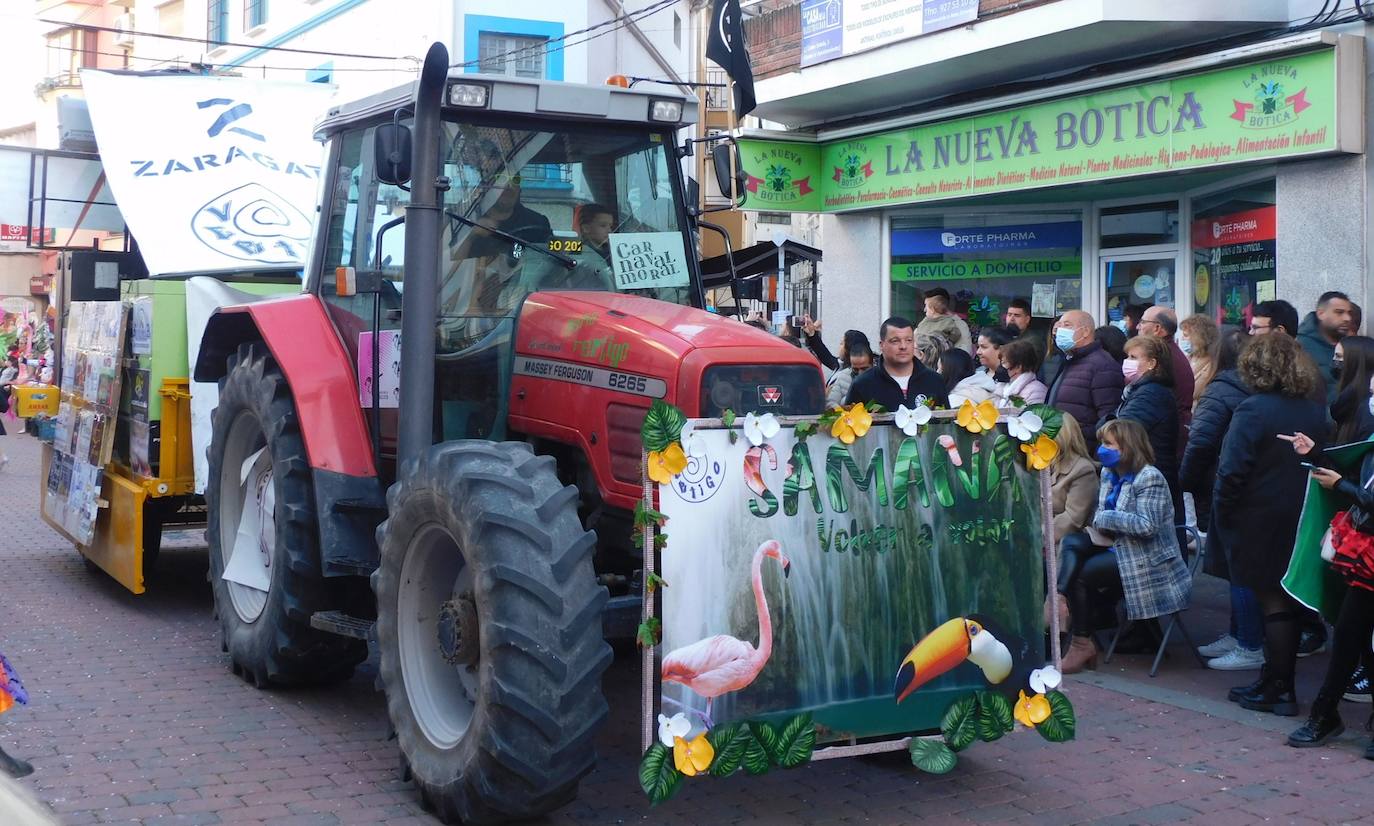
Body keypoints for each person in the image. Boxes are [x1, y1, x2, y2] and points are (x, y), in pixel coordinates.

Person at [1215, 333, 1327, 715]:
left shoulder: (1253, 409)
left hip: (1260, 515)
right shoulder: (1312, 409)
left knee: (1273, 603)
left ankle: (1280, 687)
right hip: (1302, 513)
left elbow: (1232, 470)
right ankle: (1274, 679)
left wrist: (1224, 512)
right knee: (1287, 603)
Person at [1056, 418, 1192, 674]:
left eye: (1109, 444)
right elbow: (1101, 517)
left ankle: (1081, 642)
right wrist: (1104, 522)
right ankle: (1060, 596)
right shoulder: (1110, 472)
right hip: (1118, 544)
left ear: (1128, 446)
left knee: (1083, 575)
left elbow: (1146, 526)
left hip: (1149, 559)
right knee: (1071, 541)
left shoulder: (1150, 477)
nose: (1102, 449)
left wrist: (1106, 519)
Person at [1284, 406, 1374, 756]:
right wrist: (1317, 454)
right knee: (1349, 635)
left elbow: (1358, 488)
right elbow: (1356, 475)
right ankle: (1324, 715)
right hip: (1367, 557)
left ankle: (1326, 716)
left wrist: (1344, 486)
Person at [1181, 329, 1263, 671]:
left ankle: (1248, 642)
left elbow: (1201, 442)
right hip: (1250, 486)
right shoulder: (1255, 388)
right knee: (1239, 567)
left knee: (1238, 568)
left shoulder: (1220, 391)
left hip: (1224, 485)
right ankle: (1239, 633)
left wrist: (1183, 480)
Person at [1115, 335, 1180, 505]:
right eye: (1127, 356)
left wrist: (1108, 422)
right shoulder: (1137, 390)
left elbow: (1120, 430)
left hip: (1151, 480)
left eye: (1134, 357)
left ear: (1152, 363)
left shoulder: (1151, 393)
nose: (1127, 362)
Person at [1047, 310, 1125, 452]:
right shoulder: (1070, 360)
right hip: (1060, 451)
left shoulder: (1102, 365)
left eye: (1067, 325)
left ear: (1085, 331)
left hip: (1082, 455)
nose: (1060, 330)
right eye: (1059, 325)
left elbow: (1108, 418)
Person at [847, 317, 949, 410]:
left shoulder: (934, 381)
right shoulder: (862, 384)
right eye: (895, 341)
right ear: (882, 345)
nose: (903, 346)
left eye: (908, 340)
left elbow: (946, 424)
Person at [1139, 305, 1193, 440]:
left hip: (1166, 435)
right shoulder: (1165, 352)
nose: (1138, 327)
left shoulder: (1163, 358)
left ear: (1157, 328)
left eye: (1143, 322)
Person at [1298, 291, 1356, 404]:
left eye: (1349, 313)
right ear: (1320, 314)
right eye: (1339, 312)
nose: (1347, 318)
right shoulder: (1300, 347)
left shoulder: (1354, 346)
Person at [1328, 335, 1374, 445]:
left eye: (1339, 357)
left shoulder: (1368, 407)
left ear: (1354, 362)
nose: (1334, 362)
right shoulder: (1344, 403)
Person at [1179, 314, 1220, 410]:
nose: (1182, 339)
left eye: (1186, 335)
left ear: (1199, 337)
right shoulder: (1187, 358)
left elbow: (1192, 392)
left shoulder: (1212, 363)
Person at [916, 287, 973, 354]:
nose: (924, 310)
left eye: (927, 306)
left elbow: (964, 353)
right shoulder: (924, 323)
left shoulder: (958, 324)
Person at [997, 338, 1048, 406]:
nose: (1001, 367)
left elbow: (1034, 415)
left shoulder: (1036, 391)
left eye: (1004, 363)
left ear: (1018, 367)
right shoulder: (1003, 387)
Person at [1004, 297, 1045, 372]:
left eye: (1017, 315)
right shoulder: (1001, 336)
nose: (1012, 319)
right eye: (1009, 315)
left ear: (1027, 319)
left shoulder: (1032, 341)